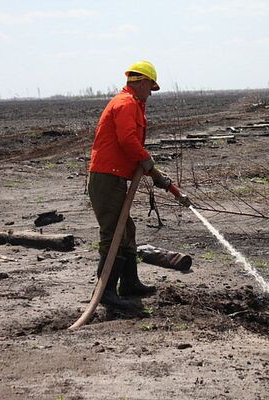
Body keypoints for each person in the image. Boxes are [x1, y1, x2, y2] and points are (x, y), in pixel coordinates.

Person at [87, 60, 189, 309]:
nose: (150, 93)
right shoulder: (126, 104)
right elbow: (127, 139)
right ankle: (106, 293)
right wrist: (146, 160)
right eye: (150, 88)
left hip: (114, 176)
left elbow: (129, 145)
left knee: (127, 231)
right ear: (142, 83)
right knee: (114, 233)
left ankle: (130, 284)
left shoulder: (131, 103)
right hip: (106, 177)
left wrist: (152, 172)